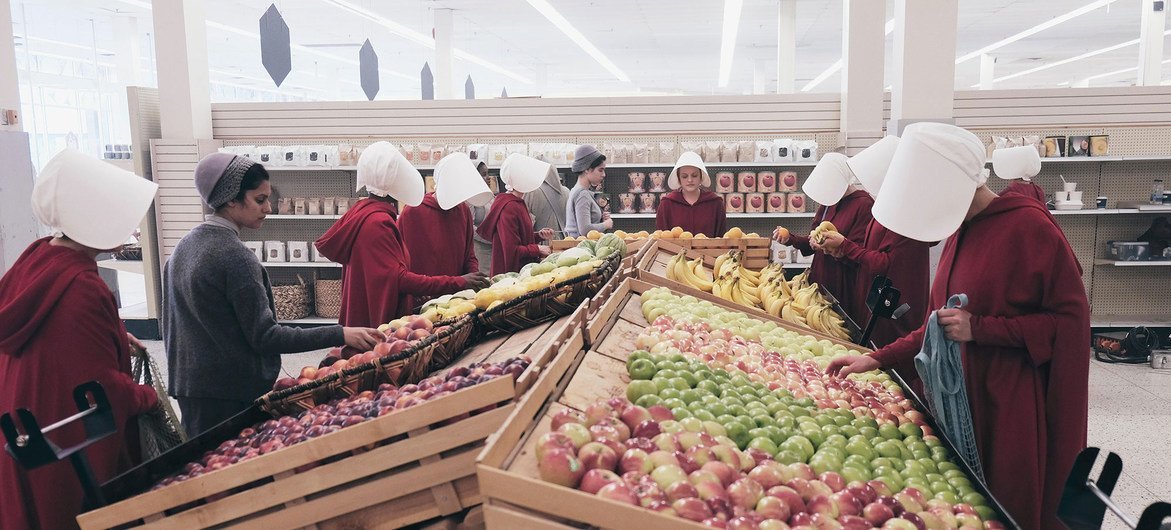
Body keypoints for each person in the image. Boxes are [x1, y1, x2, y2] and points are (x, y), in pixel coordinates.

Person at [826, 122, 1089, 530]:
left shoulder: (1029, 228)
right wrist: (876, 359)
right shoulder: (959, 231)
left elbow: (1068, 327)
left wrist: (982, 329)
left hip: (1008, 404)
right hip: (960, 397)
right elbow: (937, 322)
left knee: (1006, 508)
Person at [165, 152, 382, 437]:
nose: (268, 207)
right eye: (259, 199)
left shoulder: (183, 247)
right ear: (231, 198)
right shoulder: (235, 257)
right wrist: (341, 333)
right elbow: (266, 336)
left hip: (191, 387)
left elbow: (170, 326)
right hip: (232, 394)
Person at [0, 149, 159, 530]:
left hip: (28, 415)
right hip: (67, 437)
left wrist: (116, 333)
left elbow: (60, 336)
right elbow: (100, 389)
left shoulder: (38, 258)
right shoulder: (83, 286)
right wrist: (148, 398)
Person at [315, 142, 487, 329]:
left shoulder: (365, 215)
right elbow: (400, 278)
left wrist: (465, 282)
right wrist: (459, 282)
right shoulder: (378, 222)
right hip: (382, 320)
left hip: (374, 315)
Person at [808, 137, 930, 350]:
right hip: (873, 305)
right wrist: (840, 251)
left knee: (892, 368)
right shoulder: (885, 207)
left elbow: (884, 264)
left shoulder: (903, 214)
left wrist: (845, 246)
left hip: (893, 313)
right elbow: (869, 250)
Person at [774, 152, 874, 309]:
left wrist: (835, 247)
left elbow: (861, 255)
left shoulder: (863, 205)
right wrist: (791, 239)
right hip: (820, 278)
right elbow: (813, 239)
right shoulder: (829, 201)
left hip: (843, 283)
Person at [399, 153, 493, 286]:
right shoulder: (413, 213)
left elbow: (469, 255)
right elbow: (406, 265)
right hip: (424, 295)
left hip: (459, 297)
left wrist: (473, 277)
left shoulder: (463, 210)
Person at [477, 154, 554, 276]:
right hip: (510, 276)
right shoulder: (509, 207)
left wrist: (538, 236)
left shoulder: (515, 203)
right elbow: (511, 250)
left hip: (517, 273)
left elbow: (518, 238)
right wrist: (537, 249)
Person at [655, 151, 727, 237]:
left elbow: (721, 238)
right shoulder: (667, 204)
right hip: (675, 251)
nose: (690, 180)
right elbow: (662, 238)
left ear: (701, 177)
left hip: (708, 250)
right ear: (679, 179)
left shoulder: (715, 203)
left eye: (694, 175)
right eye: (684, 176)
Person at [565, 144, 613, 238]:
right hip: (581, 248)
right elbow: (585, 230)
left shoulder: (577, 191)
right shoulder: (582, 194)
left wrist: (600, 218)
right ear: (587, 169)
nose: (604, 175)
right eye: (600, 170)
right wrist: (606, 224)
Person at [525, 158, 570, 238]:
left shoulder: (531, 192)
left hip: (540, 244)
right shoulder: (566, 192)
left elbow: (524, 224)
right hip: (564, 241)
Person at [471, 161, 495, 274]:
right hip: (479, 251)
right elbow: (469, 227)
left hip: (492, 249)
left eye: (488, 173)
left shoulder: (490, 195)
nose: (488, 177)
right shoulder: (470, 198)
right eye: (484, 174)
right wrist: (489, 238)